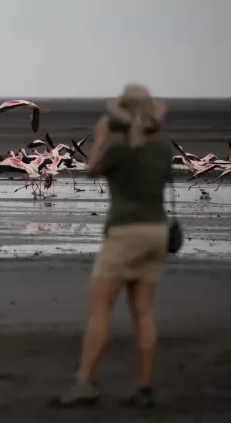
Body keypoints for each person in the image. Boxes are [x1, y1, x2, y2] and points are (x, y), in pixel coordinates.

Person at [51, 83, 174, 408]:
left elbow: (91, 169)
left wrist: (102, 136)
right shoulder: (163, 148)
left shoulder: (120, 148)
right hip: (157, 232)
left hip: (125, 234)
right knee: (144, 312)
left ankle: (84, 382)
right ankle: (144, 386)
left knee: (100, 309)